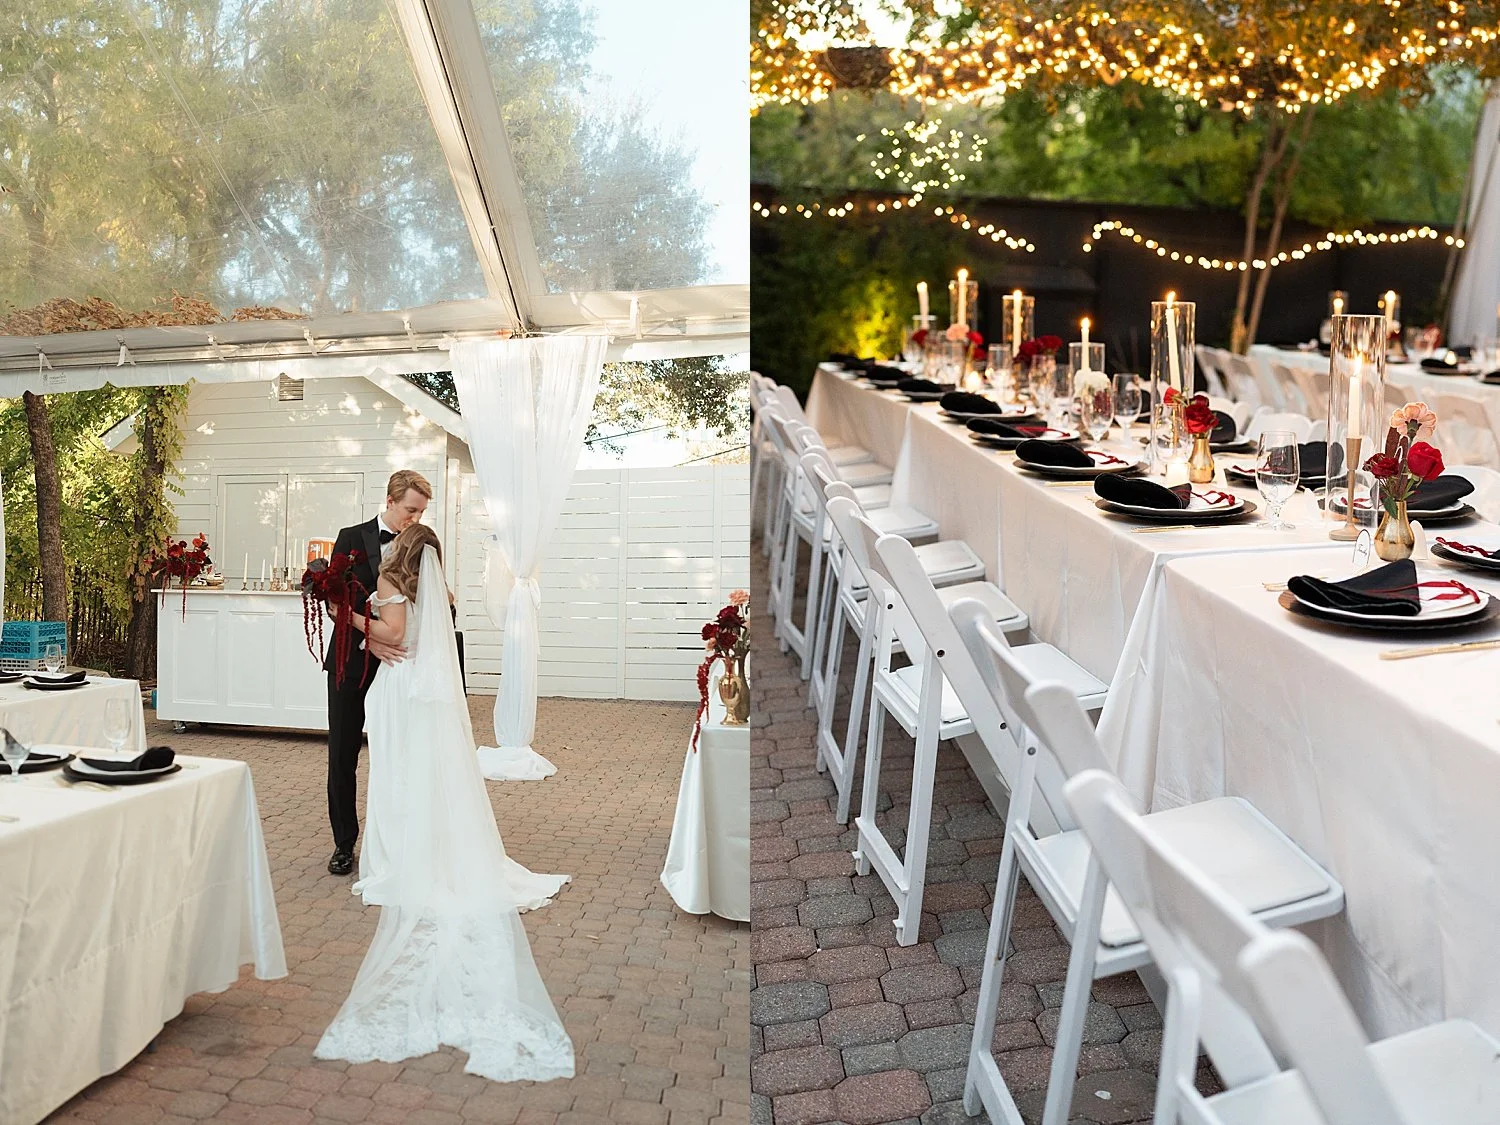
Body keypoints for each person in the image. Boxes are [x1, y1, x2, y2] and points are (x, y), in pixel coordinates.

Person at [315, 523, 573, 1080]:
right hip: (419, 691)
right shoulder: (434, 586)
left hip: (398, 690)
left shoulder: (389, 578)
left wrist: (348, 615)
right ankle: (425, 841)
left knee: (397, 776)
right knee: (417, 774)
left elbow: (396, 632)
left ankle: (397, 853)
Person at [325, 470, 431, 877]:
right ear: (389, 500)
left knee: (400, 754)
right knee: (343, 754)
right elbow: (335, 605)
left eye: (421, 512)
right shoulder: (350, 536)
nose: (415, 519)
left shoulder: (422, 546)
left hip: (398, 666)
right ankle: (343, 844)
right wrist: (370, 637)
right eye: (410, 510)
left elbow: (433, 605)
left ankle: (398, 843)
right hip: (351, 662)